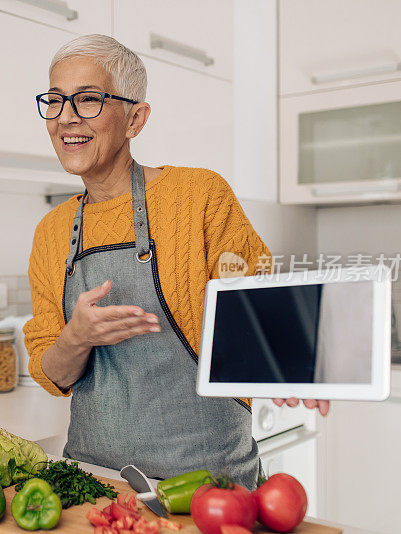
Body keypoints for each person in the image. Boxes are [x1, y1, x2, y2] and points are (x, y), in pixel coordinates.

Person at [23, 34, 329, 489]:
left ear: (135, 119)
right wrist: (77, 337)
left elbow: (260, 308)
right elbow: (53, 375)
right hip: (95, 482)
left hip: (209, 486)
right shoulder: (51, 232)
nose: (66, 117)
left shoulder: (198, 197)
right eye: (55, 100)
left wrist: (287, 366)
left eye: (88, 99)